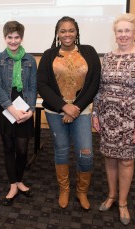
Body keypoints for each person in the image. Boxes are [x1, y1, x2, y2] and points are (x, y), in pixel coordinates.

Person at [92, 13, 135, 225]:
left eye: (127, 31)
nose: (123, 35)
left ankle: (123, 203)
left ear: (134, 33)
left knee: (126, 161)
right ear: (115, 34)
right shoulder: (108, 57)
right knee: (109, 158)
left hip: (129, 121)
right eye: (120, 31)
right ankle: (111, 195)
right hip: (108, 118)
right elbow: (100, 89)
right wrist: (95, 113)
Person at [37, 16, 101, 210]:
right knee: (62, 150)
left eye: (71, 30)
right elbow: (42, 85)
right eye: (63, 31)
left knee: (86, 153)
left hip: (81, 111)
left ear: (77, 32)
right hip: (56, 111)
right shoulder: (49, 55)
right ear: (58, 33)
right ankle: (64, 189)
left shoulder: (89, 52)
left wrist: (75, 108)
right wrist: (64, 107)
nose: (67, 34)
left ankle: (82, 191)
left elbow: (94, 84)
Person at [0, 21, 37, 206]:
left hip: (24, 106)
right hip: (5, 108)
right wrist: (11, 109)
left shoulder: (30, 60)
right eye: (9, 37)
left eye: (16, 37)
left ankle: (19, 180)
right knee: (8, 148)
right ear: (5, 38)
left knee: (22, 149)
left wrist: (31, 110)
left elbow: (33, 87)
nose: (13, 41)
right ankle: (12, 184)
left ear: (22, 38)